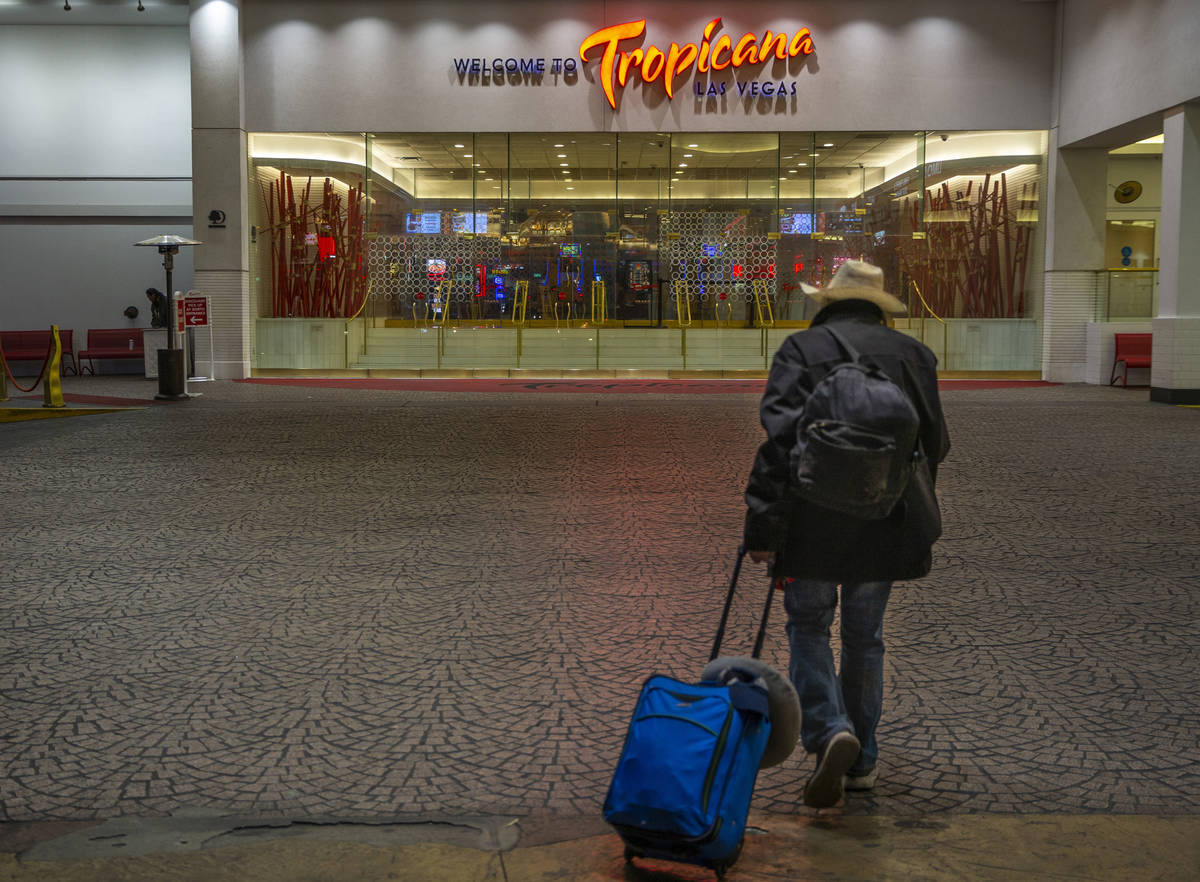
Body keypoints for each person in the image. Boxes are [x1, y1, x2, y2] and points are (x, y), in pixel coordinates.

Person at [743, 260, 950, 809]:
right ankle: (862, 761)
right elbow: (934, 443)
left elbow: (780, 444)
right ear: (880, 307)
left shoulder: (801, 351)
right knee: (866, 637)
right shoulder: (914, 355)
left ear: (826, 304)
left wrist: (763, 524)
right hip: (885, 520)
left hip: (811, 521)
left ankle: (830, 727)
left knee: (808, 626)